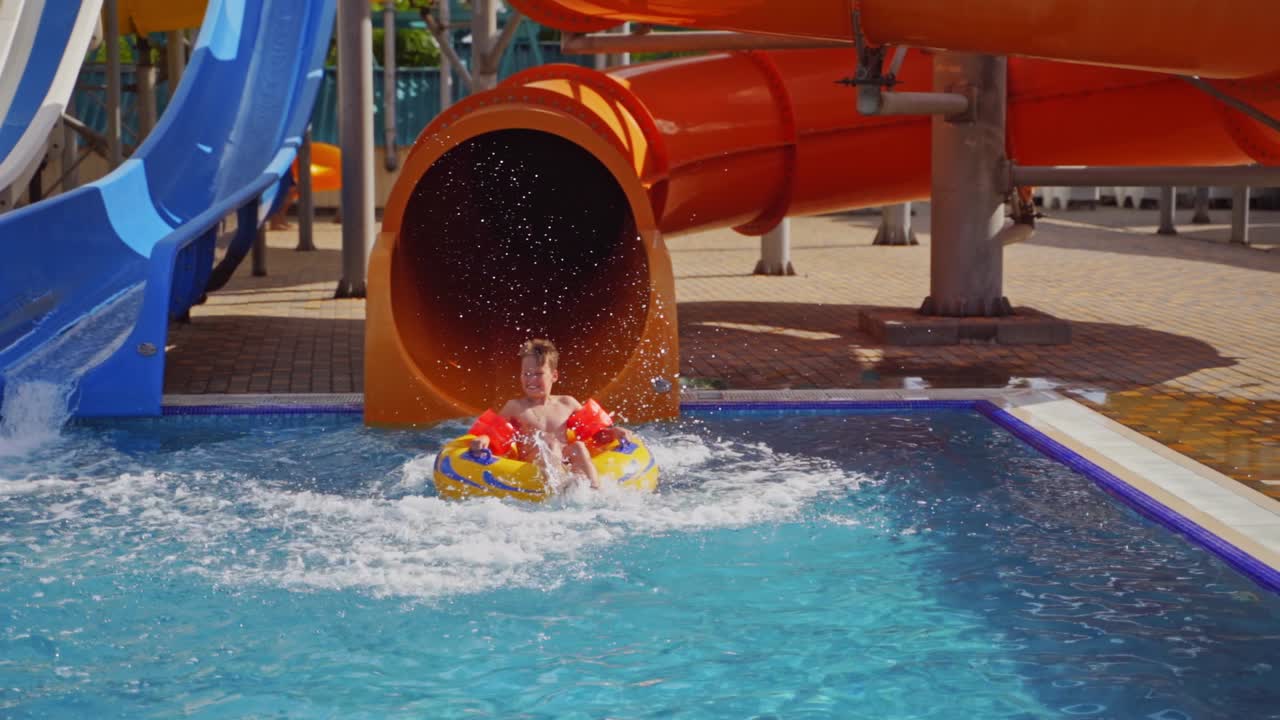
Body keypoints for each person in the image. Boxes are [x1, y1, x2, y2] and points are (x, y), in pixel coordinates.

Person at [469, 339, 632, 490]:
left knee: (578, 447)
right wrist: (484, 439)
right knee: (548, 442)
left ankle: (594, 492)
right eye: (526, 374)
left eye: (538, 374)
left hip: (563, 462)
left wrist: (614, 433)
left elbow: (596, 437)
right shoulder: (515, 407)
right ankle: (562, 490)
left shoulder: (567, 403)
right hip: (533, 467)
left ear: (554, 375)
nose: (531, 380)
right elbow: (496, 437)